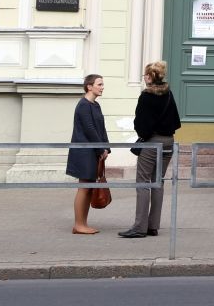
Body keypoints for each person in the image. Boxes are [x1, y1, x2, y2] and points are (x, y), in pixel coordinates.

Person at [119, 61, 182, 238]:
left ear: (149, 77)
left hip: (152, 142)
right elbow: (176, 121)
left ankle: (139, 227)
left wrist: (145, 134)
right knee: (158, 181)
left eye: (144, 75)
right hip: (169, 141)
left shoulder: (146, 97)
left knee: (143, 182)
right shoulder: (168, 94)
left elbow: (141, 124)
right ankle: (153, 225)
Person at [66, 74, 110, 235]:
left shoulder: (95, 106)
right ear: (89, 87)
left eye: (102, 84)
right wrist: (101, 149)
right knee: (84, 187)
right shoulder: (83, 105)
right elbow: (89, 129)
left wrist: (106, 148)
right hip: (84, 152)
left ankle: (82, 224)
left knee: (89, 187)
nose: (102, 87)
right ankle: (78, 224)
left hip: (94, 151)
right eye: (99, 84)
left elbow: (101, 129)